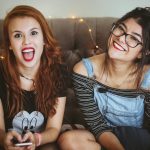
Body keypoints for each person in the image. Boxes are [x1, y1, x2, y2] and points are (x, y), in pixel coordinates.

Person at [58, 7, 150, 150]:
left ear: (142, 53)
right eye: (121, 29)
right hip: (102, 136)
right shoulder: (83, 71)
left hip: (139, 138)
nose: (120, 38)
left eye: (133, 38)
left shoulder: (148, 77)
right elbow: (97, 126)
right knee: (69, 140)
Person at [0, 5, 67, 150]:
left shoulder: (58, 71)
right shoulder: (1, 73)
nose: (26, 41)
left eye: (34, 33)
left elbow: (54, 129)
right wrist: (3, 139)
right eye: (18, 35)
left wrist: (36, 139)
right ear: (10, 44)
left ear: (44, 39)